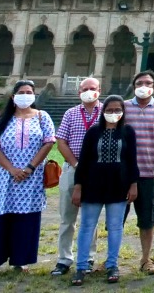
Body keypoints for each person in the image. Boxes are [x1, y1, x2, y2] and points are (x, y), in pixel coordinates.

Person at [0, 80, 57, 273]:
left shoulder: (42, 117)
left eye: (29, 92)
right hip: (4, 177)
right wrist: (12, 169)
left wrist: (29, 167)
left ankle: (20, 260)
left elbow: (48, 143)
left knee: (25, 217)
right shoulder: (2, 120)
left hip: (31, 177)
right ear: (13, 96)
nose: (25, 95)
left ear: (34, 96)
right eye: (21, 92)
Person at [71, 95, 138, 285]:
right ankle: (81, 266)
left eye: (117, 110)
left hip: (118, 185)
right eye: (109, 110)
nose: (113, 113)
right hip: (93, 185)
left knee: (115, 226)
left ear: (123, 112)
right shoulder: (93, 132)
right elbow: (84, 160)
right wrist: (78, 186)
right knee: (87, 226)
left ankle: (112, 265)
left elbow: (132, 160)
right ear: (103, 111)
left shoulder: (128, 132)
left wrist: (133, 184)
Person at [120, 70, 154, 274]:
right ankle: (111, 259)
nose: (144, 86)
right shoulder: (123, 107)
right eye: (139, 83)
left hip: (149, 171)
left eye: (148, 83)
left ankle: (145, 259)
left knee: (147, 218)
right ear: (134, 86)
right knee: (117, 218)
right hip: (123, 173)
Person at [53, 76, 102, 276]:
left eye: (93, 88)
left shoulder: (106, 112)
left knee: (90, 218)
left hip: (97, 171)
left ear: (99, 90)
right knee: (67, 217)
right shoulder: (71, 113)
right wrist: (76, 163)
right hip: (72, 168)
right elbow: (61, 141)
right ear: (79, 92)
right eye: (85, 89)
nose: (89, 92)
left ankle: (88, 257)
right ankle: (64, 259)